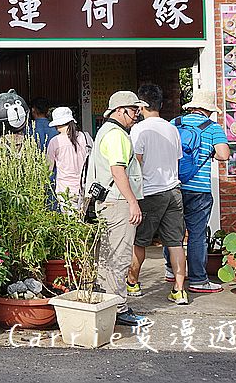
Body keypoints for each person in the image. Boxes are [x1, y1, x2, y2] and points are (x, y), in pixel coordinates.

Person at [85, 91, 147, 326]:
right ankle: (119, 308)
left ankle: (106, 304)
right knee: (119, 257)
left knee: (106, 256)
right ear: (120, 111)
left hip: (107, 202)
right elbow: (118, 171)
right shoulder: (117, 135)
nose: (137, 114)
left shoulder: (105, 131)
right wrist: (133, 202)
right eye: (134, 110)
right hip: (118, 202)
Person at [125, 84, 188, 305]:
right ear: (160, 104)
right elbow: (177, 158)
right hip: (174, 191)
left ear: (141, 106)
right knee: (175, 243)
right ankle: (179, 290)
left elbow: (136, 163)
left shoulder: (139, 130)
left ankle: (132, 283)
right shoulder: (172, 129)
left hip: (150, 193)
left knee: (140, 241)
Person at [166, 90, 229, 293]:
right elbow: (224, 154)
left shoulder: (174, 123)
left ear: (192, 107)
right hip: (199, 189)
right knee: (197, 235)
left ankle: (171, 271)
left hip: (174, 186)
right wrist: (209, 152)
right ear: (209, 110)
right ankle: (198, 280)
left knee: (173, 232)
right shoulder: (213, 128)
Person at [46, 107, 92, 212]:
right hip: (84, 187)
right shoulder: (85, 137)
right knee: (81, 217)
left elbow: (48, 169)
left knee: (70, 219)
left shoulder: (55, 141)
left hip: (65, 190)